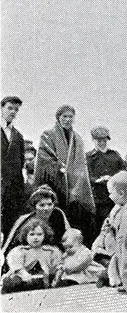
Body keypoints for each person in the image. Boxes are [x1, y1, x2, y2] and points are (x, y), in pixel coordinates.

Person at [34, 105, 95, 245]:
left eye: (70, 117)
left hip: (74, 187)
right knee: (54, 217)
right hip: (54, 184)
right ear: (58, 118)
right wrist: (59, 169)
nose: (67, 120)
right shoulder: (48, 135)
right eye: (64, 117)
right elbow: (44, 159)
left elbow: (81, 165)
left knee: (75, 218)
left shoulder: (78, 139)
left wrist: (77, 184)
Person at [2, 185, 70, 258]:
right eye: (42, 205)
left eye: (50, 204)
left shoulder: (58, 214)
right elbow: (12, 246)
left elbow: (69, 236)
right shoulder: (26, 221)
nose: (46, 208)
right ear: (34, 207)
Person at [1, 218, 62, 293]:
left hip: (45, 282)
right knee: (14, 282)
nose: (35, 237)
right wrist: (24, 274)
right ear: (26, 236)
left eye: (39, 234)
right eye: (32, 234)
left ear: (45, 235)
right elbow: (16, 266)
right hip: (23, 280)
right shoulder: (20, 251)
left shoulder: (51, 251)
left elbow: (57, 267)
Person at [86, 126, 126, 233]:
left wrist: (114, 178)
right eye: (99, 140)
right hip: (98, 198)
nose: (102, 143)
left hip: (115, 197)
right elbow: (86, 176)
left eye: (104, 140)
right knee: (100, 226)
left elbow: (124, 171)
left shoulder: (115, 155)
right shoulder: (88, 157)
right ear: (93, 140)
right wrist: (98, 180)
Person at [1, 96, 26, 237]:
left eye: (16, 109)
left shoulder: (18, 136)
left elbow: (20, 164)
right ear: (1, 108)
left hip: (12, 191)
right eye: (10, 108)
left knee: (10, 227)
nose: (13, 112)